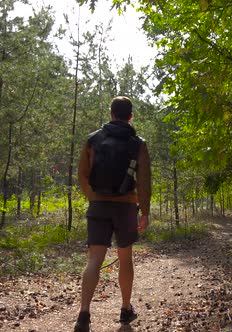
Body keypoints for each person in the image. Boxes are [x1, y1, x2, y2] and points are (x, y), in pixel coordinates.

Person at [74, 96, 151, 332]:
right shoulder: (138, 143)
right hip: (126, 207)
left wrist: (94, 197)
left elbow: (83, 175)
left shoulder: (93, 140)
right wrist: (144, 211)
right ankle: (125, 310)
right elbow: (145, 181)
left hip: (98, 205)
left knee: (94, 260)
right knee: (125, 258)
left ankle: (84, 315)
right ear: (131, 116)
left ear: (111, 113)